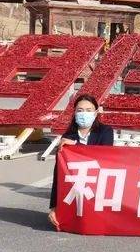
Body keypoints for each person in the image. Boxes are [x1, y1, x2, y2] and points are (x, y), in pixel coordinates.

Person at [48, 94, 114, 229]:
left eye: (89, 110)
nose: (84, 114)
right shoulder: (67, 137)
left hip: (98, 188)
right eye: (80, 110)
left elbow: (103, 157)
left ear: (96, 112)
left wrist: (76, 146)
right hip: (77, 190)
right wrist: (54, 207)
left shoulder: (105, 131)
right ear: (74, 113)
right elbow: (58, 174)